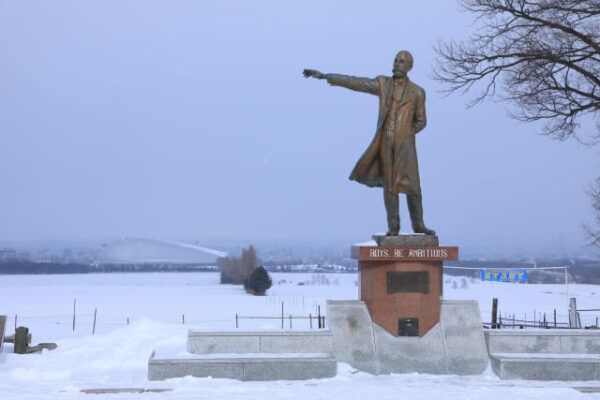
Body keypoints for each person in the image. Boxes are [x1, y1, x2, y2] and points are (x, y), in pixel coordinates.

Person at [304, 50, 435, 236]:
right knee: (390, 188)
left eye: (402, 61)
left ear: (409, 66)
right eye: (396, 60)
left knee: (413, 187)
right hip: (385, 142)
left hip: (405, 146)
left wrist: (405, 132)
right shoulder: (383, 84)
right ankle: (394, 227)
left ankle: (419, 225)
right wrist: (327, 76)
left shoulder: (418, 92)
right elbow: (357, 82)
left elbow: (421, 121)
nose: (397, 64)